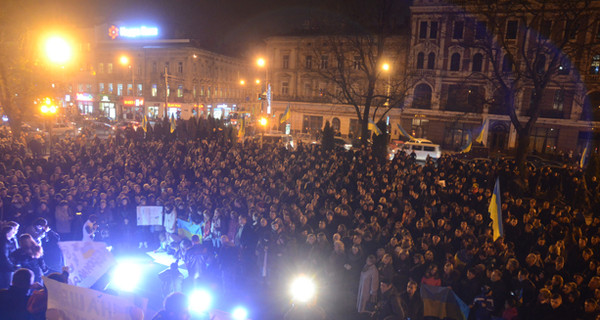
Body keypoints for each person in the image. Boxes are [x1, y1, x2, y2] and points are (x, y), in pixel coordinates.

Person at [0, 224, 18, 289]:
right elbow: (4, 256)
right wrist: (11, 266)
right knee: (6, 285)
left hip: (8, 267)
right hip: (6, 268)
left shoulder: (10, 241)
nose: (14, 233)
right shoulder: (4, 242)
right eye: (12, 232)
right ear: (7, 233)